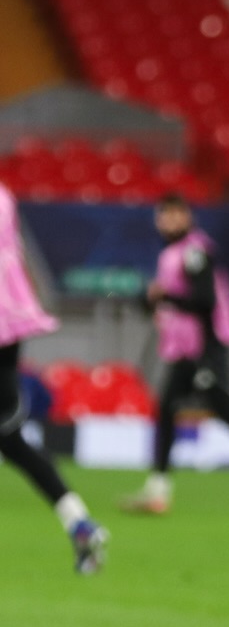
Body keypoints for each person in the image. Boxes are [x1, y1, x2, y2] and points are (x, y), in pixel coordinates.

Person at [122, 194, 229, 517]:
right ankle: (159, 489)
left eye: (176, 214)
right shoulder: (173, 253)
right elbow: (168, 302)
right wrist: (151, 299)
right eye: (165, 215)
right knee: (168, 408)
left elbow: (204, 301)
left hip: (204, 347)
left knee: (224, 411)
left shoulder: (195, 252)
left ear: (188, 217)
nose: (170, 221)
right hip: (183, 348)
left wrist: (165, 296)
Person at [0, 181, 107, 571]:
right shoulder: (5, 197)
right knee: (11, 441)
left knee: (11, 438)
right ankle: (80, 523)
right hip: (10, 326)